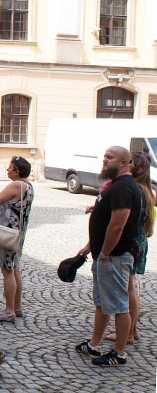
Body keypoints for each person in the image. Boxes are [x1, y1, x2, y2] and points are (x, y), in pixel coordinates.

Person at [74, 147, 140, 366]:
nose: (104, 160)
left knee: (119, 305)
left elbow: (117, 225)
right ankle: (94, 344)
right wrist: (90, 247)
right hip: (105, 255)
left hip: (115, 256)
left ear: (124, 163)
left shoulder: (123, 188)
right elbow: (103, 221)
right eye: (104, 157)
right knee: (102, 303)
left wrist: (105, 253)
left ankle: (119, 353)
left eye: (109, 158)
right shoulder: (115, 185)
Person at [105, 151, 154, 344]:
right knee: (130, 286)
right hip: (139, 240)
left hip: (133, 240)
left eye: (131, 162)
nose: (128, 165)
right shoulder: (145, 189)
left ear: (139, 168)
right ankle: (131, 329)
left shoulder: (138, 189)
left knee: (128, 288)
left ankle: (128, 332)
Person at [0, 156, 34, 323]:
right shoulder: (29, 186)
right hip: (18, 234)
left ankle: (9, 310)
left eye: (9, 167)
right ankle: (17, 306)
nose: (7, 170)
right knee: (15, 269)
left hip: (8, 233)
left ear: (17, 171)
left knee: (7, 271)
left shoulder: (16, 185)